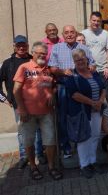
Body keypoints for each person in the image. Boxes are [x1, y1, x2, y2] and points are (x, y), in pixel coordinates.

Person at [13, 41, 62, 180]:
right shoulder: (24, 67)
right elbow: (16, 90)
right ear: (33, 53)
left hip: (46, 112)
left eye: (44, 54)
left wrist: (52, 93)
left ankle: (51, 167)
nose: (42, 55)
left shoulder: (48, 69)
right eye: (39, 53)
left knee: (50, 140)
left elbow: (53, 85)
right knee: (28, 141)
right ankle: (33, 167)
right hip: (28, 113)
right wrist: (21, 109)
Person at [49, 25, 95, 158]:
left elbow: (92, 64)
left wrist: (91, 68)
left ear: (76, 34)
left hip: (82, 85)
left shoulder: (84, 48)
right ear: (63, 35)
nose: (69, 35)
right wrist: (63, 72)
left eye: (72, 32)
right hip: (64, 86)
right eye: (67, 33)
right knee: (63, 117)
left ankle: (82, 142)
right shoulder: (57, 48)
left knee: (82, 114)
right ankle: (66, 146)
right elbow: (52, 68)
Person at [0, 35, 45, 169]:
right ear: (14, 46)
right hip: (18, 104)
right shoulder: (7, 63)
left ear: (27, 46)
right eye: (18, 45)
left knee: (37, 129)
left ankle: (39, 154)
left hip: (36, 103)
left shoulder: (34, 60)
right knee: (22, 131)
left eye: (24, 45)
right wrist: (4, 98)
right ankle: (24, 156)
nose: (21, 47)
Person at [65, 49, 106, 179]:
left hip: (97, 111)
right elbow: (74, 94)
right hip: (83, 112)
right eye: (77, 59)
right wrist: (92, 103)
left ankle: (93, 161)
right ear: (74, 62)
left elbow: (103, 88)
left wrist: (99, 101)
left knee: (95, 136)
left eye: (82, 58)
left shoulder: (94, 73)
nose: (80, 61)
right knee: (84, 138)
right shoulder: (72, 76)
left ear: (86, 59)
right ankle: (84, 165)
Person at [82, 11, 108, 103]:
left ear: (101, 22)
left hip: (103, 70)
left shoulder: (105, 33)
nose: (96, 23)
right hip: (89, 70)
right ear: (90, 20)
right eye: (94, 20)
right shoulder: (83, 33)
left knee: (106, 95)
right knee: (90, 94)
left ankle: (105, 116)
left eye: (98, 21)